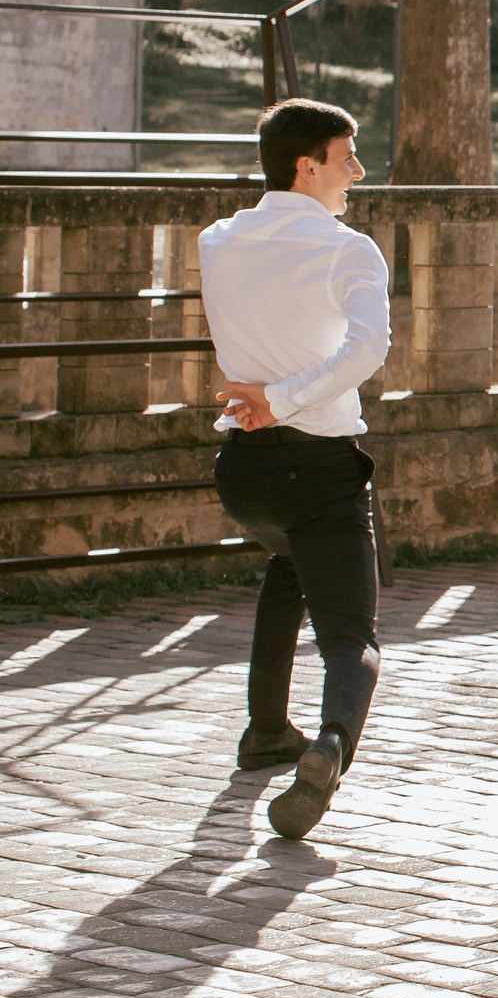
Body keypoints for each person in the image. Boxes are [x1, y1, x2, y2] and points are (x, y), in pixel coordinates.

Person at [200, 98, 390, 842]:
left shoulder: (219, 240)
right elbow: (367, 350)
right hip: (316, 468)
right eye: (348, 156)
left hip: (243, 470)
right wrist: (280, 400)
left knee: (291, 563)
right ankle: (330, 750)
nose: (359, 171)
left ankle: (265, 731)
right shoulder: (349, 249)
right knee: (353, 638)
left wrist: (263, 399)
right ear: (307, 166)